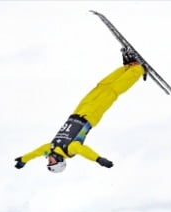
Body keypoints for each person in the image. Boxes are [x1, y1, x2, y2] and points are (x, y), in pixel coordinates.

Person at [14, 50, 144, 173]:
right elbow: (84, 151)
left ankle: (127, 67)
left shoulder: (50, 148)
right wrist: (99, 159)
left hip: (77, 112)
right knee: (112, 91)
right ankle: (137, 69)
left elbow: (36, 153)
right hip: (90, 116)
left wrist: (23, 160)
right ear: (59, 162)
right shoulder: (70, 150)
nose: (49, 159)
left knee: (101, 87)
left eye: (49, 162)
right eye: (51, 162)